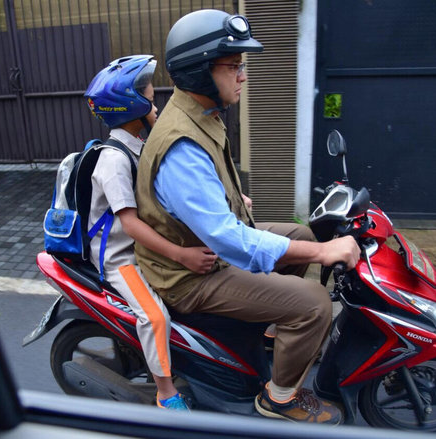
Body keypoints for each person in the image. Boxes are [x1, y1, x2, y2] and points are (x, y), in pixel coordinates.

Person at [134, 10, 360, 424]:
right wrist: (324, 250)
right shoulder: (181, 144)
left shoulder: (198, 113)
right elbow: (227, 240)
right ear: (202, 71)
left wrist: (309, 241)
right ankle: (279, 398)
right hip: (189, 275)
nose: (243, 75)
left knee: (299, 232)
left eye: (242, 66)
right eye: (234, 66)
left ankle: (275, 331)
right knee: (313, 304)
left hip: (204, 247)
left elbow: (206, 197)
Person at [84, 55, 218, 411]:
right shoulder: (113, 161)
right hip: (121, 259)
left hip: (143, 249)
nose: (156, 106)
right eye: (151, 99)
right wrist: (182, 254)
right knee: (155, 316)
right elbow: (129, 224)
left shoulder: (138, 146)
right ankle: (165, 393)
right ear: (134, 106)